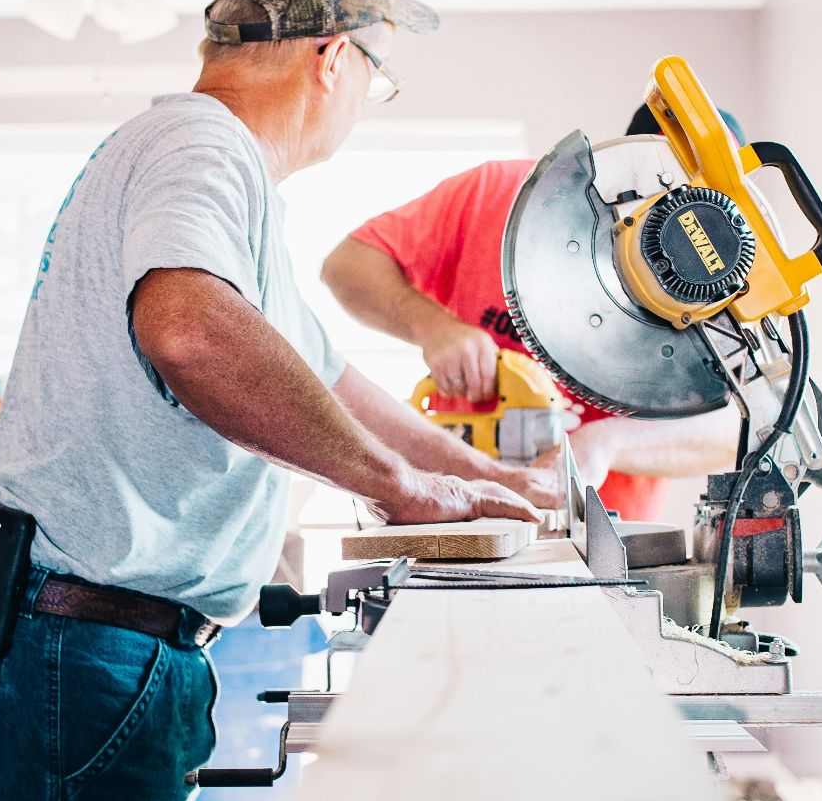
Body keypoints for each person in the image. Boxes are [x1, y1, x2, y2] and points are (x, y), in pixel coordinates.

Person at [0, 0, 553, 801]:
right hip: (79, 654)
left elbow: (330, 375)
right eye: (376, 76)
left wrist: (480, 475)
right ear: (335, 58)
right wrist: (398, 487)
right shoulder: (201, 145)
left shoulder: (217, 179)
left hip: (72, 647)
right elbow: (187, 330)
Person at [319, 106, 748, 522]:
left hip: (603, 540)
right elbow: (348, 265)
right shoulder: (498, 194)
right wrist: (432, 326)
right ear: (620, 158)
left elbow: (742, 430)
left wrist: (608, 442)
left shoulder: (721, 286)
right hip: (456, 510)